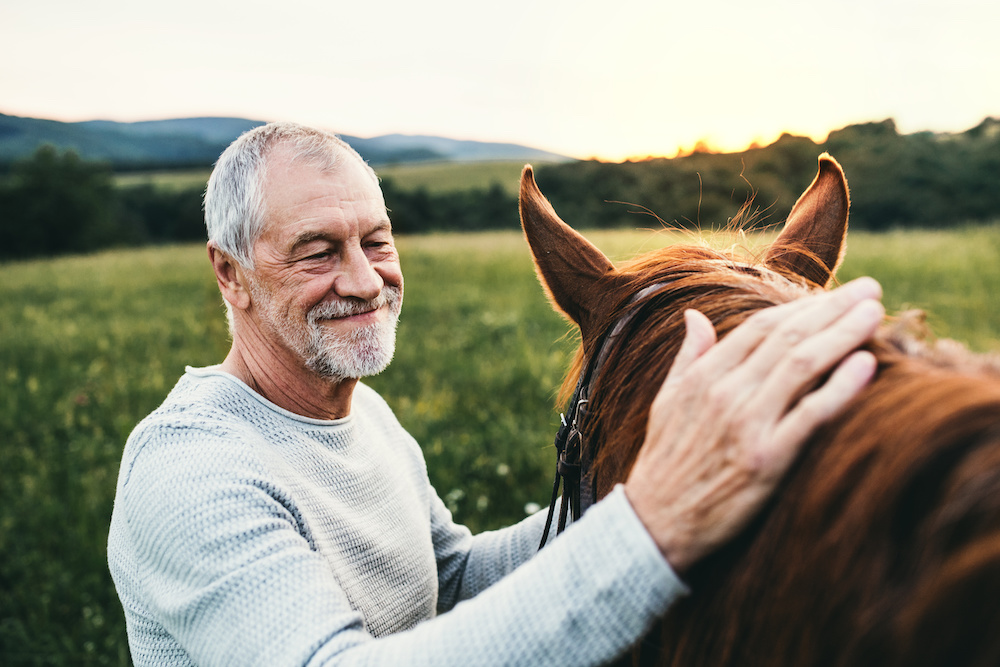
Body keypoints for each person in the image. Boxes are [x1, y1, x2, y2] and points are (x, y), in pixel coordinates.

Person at [107, 122, 885, 666]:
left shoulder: (360, 415)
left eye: (376, 241)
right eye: (316, 252)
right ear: (228, 273)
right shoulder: (193, 476)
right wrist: (651, 525)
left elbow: (448, 582)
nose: (362, 278)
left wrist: (621, 486)